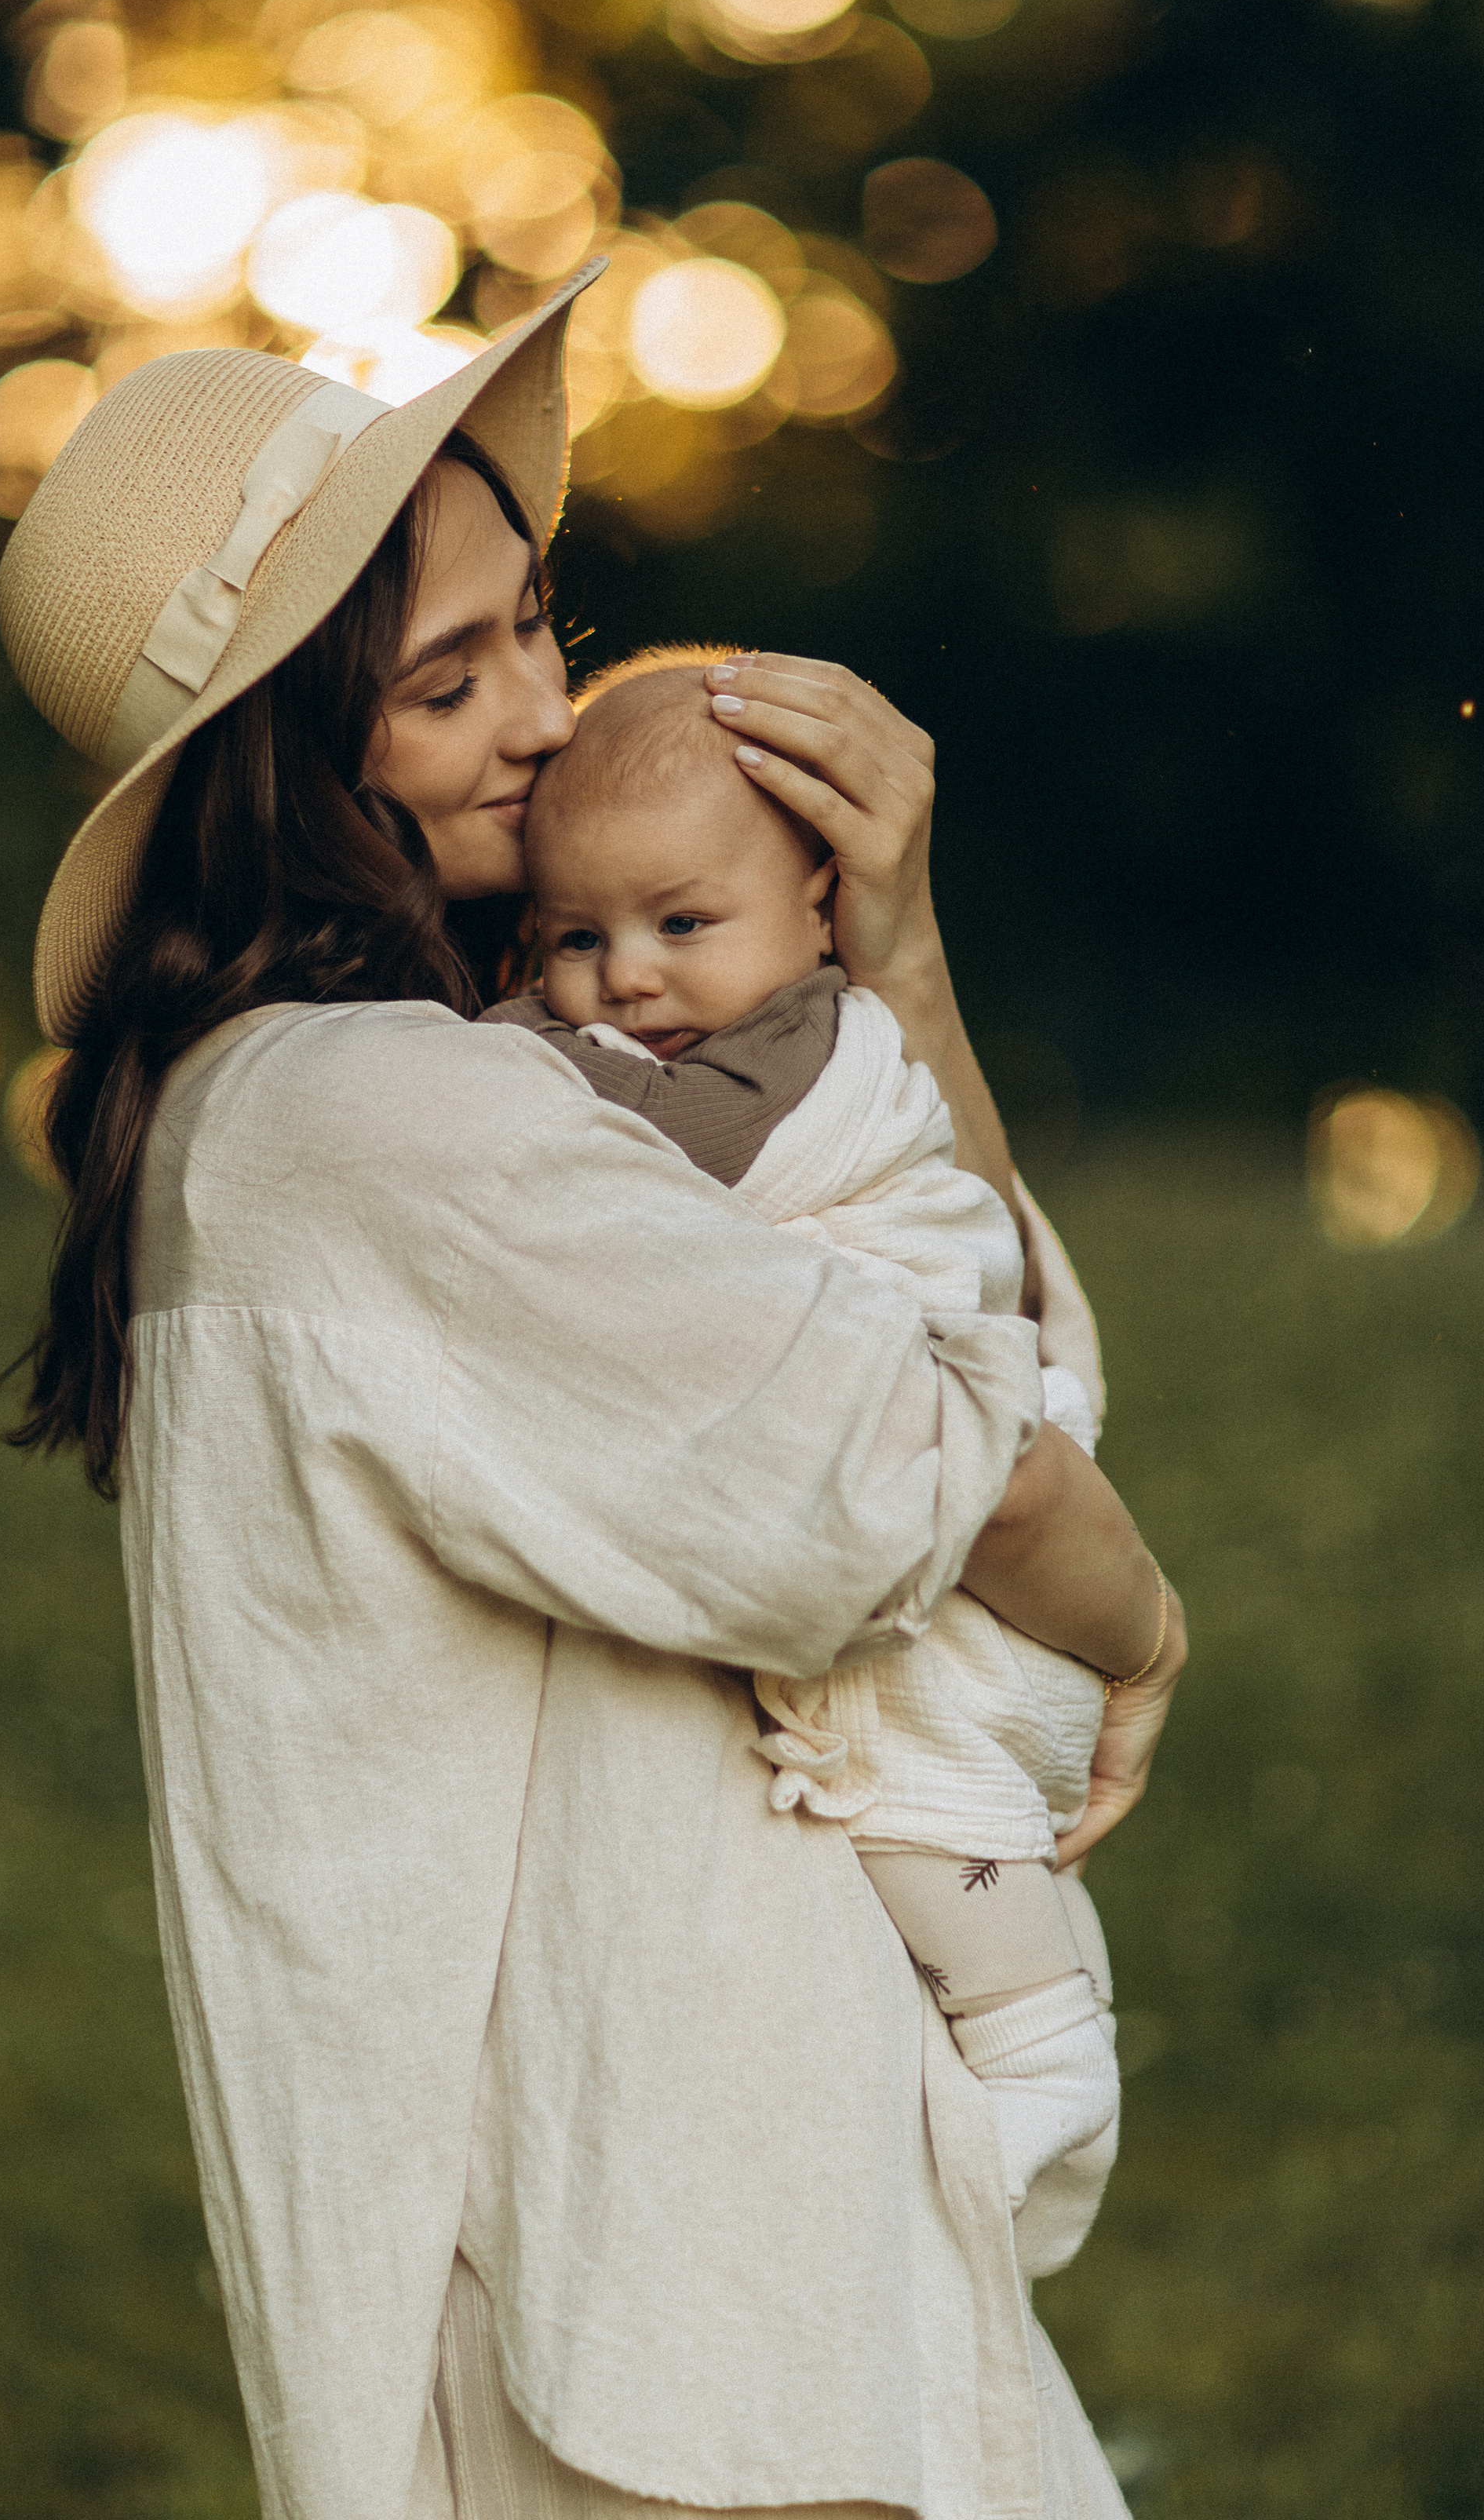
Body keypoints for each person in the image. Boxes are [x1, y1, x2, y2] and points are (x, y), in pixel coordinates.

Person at [0, 258, 1187, 2520]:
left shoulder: (435, 1084)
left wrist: (892, 959)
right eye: (449, 684)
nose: (547, 716)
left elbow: (966, 1321)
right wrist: (1140, 1637)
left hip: (710, 2242)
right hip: (659, 2311)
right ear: (289, 763)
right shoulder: (377, 1120)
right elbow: (937, 1460)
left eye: (537, 625)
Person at [478, 651, 1140, 2280]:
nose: (625, 979)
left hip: (945, 1482)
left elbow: (636, 1147)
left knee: (926, 1793)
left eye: (679, 923)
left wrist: (493, 1052)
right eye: (575, 939)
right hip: (914, 1469)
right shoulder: (687, 1030)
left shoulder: (795, 1059)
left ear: (817, 914)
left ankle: (1048, 2054)